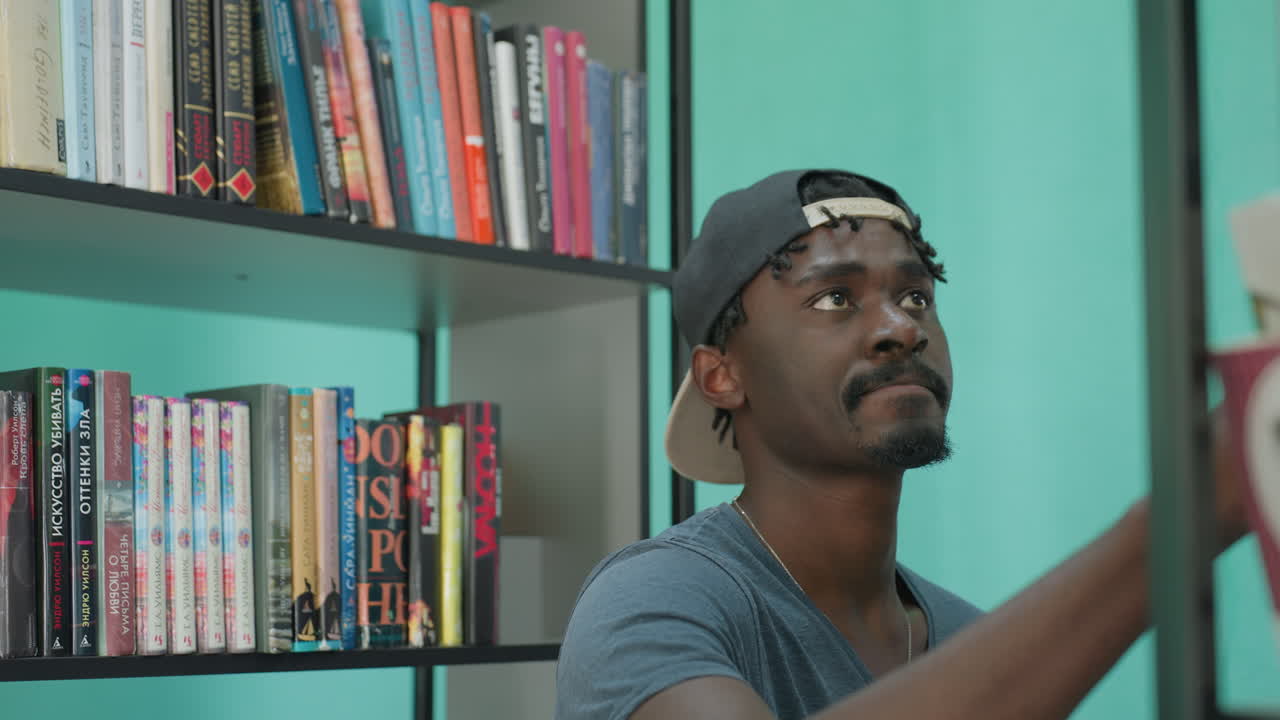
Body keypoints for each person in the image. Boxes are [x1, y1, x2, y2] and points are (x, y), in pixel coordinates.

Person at [554, 168, 1249, 720]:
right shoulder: (653, 601)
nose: (901, 328)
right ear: (721, 375)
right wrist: (1183, 515)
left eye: (916, 296)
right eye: (834, 298)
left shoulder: (965, 638)